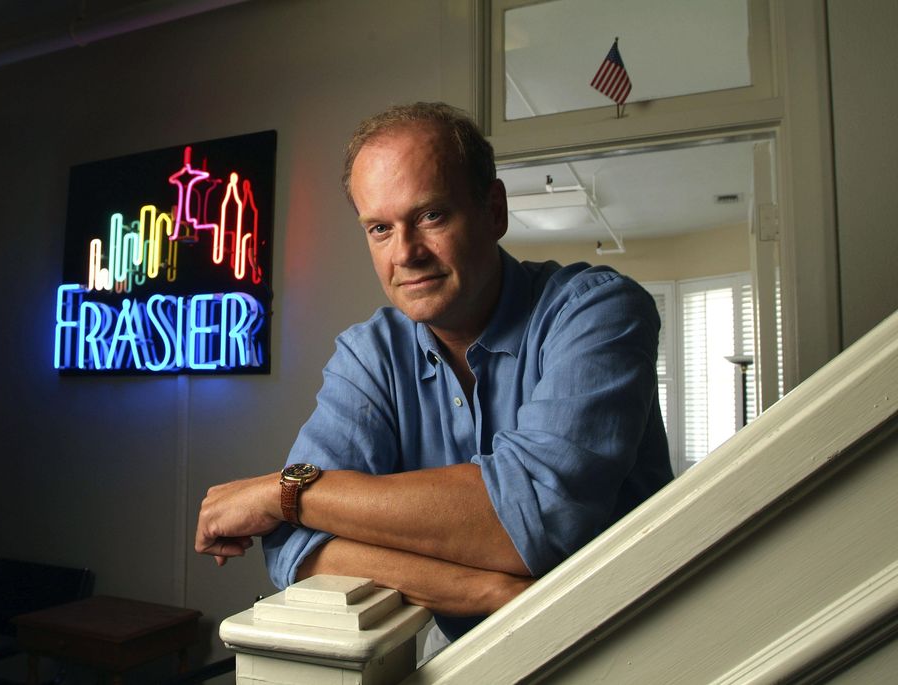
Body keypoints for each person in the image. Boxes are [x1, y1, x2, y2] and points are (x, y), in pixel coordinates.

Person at [195, 102, 673, 642]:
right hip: (456, 658)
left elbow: (538, 521)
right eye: (380, 228)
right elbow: (294, 547)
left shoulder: (597, 310)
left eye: (431, 216)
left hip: (619, 646)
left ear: (494, 211)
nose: (406, 253)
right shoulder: (369, 354)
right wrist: (484, 592)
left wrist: (282, 494)